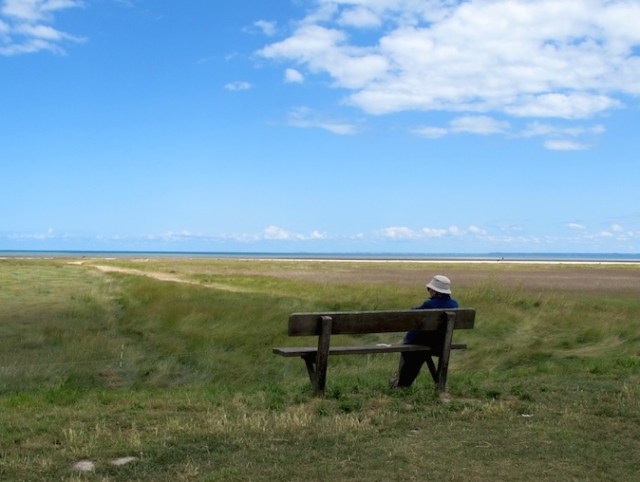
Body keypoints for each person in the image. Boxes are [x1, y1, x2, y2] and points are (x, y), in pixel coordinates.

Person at [390, 275, 459, 388]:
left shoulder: (429, 305)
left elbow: (412, 316)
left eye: (429, 289)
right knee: (417, 355)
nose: (429, 291)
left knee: (410, 351)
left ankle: (401, 384)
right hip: (441, 343)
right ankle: (438, 384)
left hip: (423, 342)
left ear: (435, 291)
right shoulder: (454, 305)